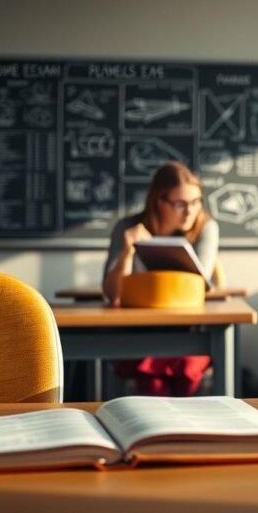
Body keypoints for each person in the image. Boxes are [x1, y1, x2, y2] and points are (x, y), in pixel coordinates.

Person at [102, 161, 220, 396]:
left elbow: (199, 285)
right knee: (153, 381)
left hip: (189, 331)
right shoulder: (128, 228)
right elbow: (112, 294)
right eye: (180, 204)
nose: (190, 211)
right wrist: (128, 251)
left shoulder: (205, 228)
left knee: (185, 367)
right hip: (137, 331)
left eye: (196, 202)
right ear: (159, 201)